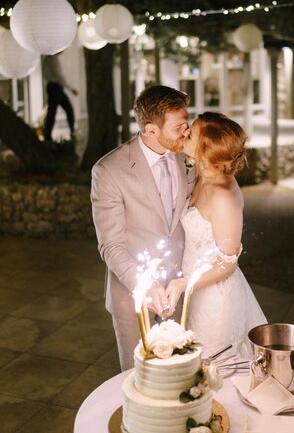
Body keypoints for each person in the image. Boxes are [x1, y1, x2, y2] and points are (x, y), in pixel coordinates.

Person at [91, 85, 192, 371]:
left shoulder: (188, 157)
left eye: (187, 123)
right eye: (179, 127)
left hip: (182, 294)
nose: (187, 132)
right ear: (151, 130)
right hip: (132, 297)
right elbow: (110, 245)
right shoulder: (108, 171)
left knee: (180, 378)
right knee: (138, 381)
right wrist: (143, 285)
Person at [165, 111, 267, 357]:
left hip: (216, 301)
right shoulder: (203, 175)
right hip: (196, 292)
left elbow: (228, 264)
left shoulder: (223, 196)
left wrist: (183, 283)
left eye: (192, 133)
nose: (186, 132)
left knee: (214, 368)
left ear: (205, 148)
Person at [42, 53, 78, 141]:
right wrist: (70, 88)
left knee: (54, 112)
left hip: (53, 87)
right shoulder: (52, 59)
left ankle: (48, 135)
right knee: (55, 112)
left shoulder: (46, 59)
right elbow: (59, 76)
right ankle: (48, 136)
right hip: (55, 88)